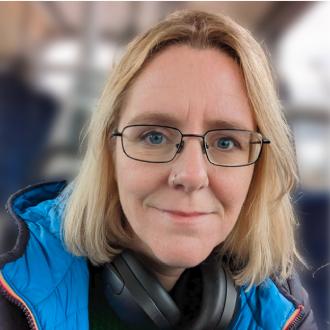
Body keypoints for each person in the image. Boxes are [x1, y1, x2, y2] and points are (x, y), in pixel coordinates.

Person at [0, 9, 317, 330]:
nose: (192, 176)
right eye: (154, 136)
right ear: (109, 152)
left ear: (257, 170)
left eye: (225, 143)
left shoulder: (279, 306)